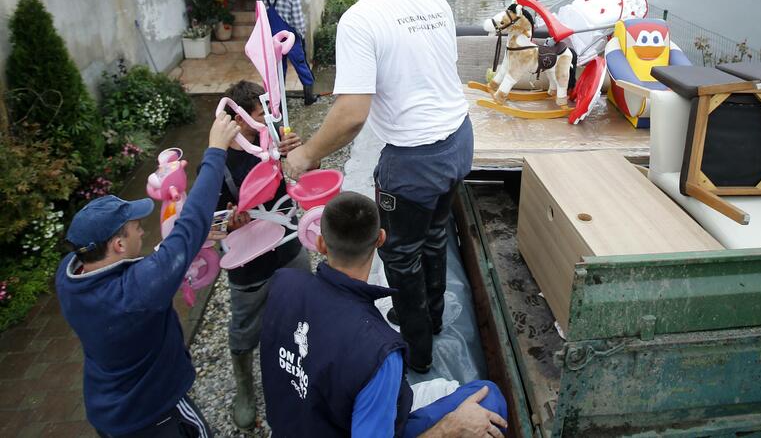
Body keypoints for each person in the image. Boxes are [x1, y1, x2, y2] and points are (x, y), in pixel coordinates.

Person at [285, 0, 472, 373]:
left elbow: (352, 113)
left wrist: (305, 155)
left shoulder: (359, 19)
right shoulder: (435, 2)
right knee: (435, 234)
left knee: (400, 258)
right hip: (460, 139)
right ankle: (436, 316)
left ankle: (419, 353)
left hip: (414, 160)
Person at [260, 191, 507, 437]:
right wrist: (448, 429)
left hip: (293, 424)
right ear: (381, 239)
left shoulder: (283, 284)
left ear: (321, 243)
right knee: (489, 399)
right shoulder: (378, 352)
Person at [56, 113, 240, 437]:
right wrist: (215, 149)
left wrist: (161, 258)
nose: (143, 229)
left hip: (110, 413)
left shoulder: (70, 274)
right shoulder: (137, 294)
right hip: (155, 415)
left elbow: (145, 273)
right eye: (136, 228)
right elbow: (191, 224)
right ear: (117, 244)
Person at [217, 80, 312, 429]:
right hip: (248, 263)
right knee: (244, 327)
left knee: (301, 309)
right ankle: (245, 387)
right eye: (261, 115)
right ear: (239, 121)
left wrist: (300, 155)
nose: (269, 120)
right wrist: (231, 222)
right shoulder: (219, 163)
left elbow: (305, 182)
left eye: (269, 112)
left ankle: (298, 365)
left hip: (288, 244)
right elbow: (212, 226)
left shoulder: (275, 141)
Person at [262, 0, 317, 105]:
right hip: (290, 38)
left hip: (273, 39)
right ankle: (309, 97)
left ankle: (278, 103)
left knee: (277, 69)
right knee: (301, 65)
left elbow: (261, 19)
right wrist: (302, 37)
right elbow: (298, 22)